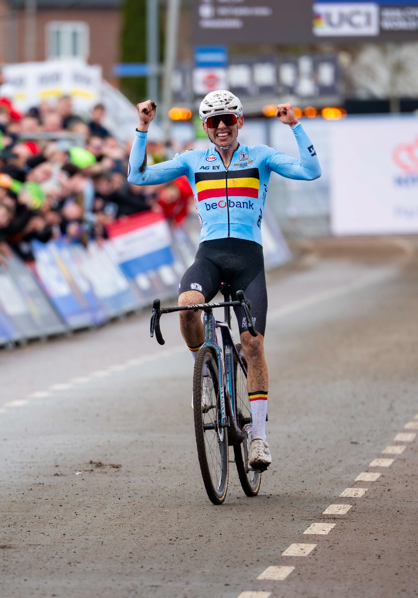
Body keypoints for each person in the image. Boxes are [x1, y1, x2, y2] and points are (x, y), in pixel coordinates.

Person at [126, 90, 321, 470]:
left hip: (248, 263)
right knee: (187, 308)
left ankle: (259, 438)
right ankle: (204, 370)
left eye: (227, 119)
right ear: (204, 126)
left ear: (239, 122)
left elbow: (310, 171)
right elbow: (137, 176)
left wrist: (295, 126)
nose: (220, 127)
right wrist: (143, 128)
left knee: (253, 345)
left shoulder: (261, 156)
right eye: (213, 121)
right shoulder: (192, 160)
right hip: (210, 258)